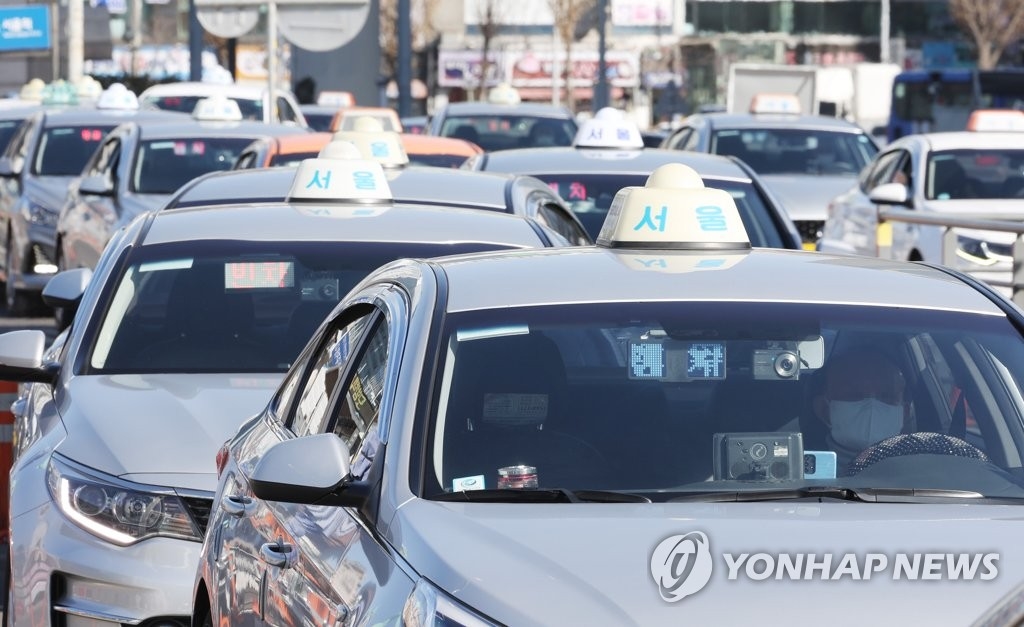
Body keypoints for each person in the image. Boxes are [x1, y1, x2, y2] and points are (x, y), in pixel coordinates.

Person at [811, 347, 913, 470]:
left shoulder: (922, 471)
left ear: (905, 413)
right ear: (824, 410)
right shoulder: (796, 471)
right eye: (854, 395)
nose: (872, 407)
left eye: (886, 396)